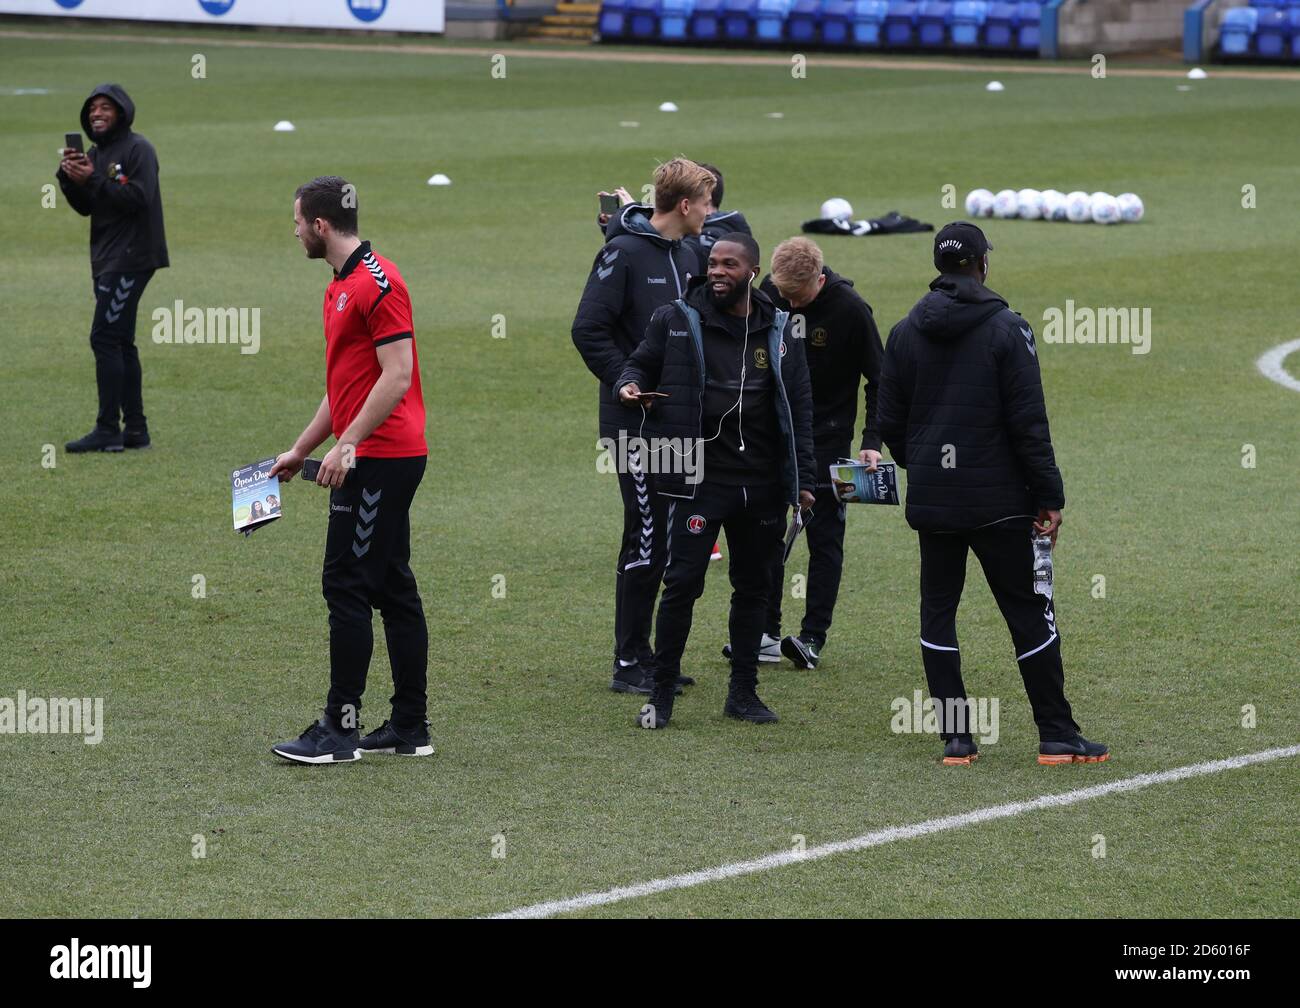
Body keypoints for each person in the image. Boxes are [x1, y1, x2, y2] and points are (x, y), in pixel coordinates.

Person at [877, 221, 1108, 766]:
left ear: (939, 265)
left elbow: (889, 421)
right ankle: (1056, 734)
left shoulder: (904, 331)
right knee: (1029, 612)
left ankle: (957, 740)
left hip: (935, 502)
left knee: (938, 612)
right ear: (982, 264)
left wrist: (929, 467)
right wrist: (1050, 496)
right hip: (1001, 503)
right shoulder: (1008, 328)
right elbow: (1029, 424)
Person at [617, 233, 816, 728]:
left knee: (754, 588)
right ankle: (661, 693)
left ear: (752, 273)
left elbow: (801, 409)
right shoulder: (678, 318)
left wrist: (803, 481)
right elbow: (639, 361)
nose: (718, 272)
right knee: (682, 584)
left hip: (763, 483)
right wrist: (628, 384)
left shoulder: (782, 329)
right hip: (699, 480)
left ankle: (743, 693)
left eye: (730, 264)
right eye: (713, 264)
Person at [269, 176, 431, 765]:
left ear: (319, 226)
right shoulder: (341, 286)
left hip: (382, 459)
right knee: (391, 585)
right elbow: (345, 387)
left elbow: (396, 375)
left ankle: (339, 732)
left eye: (296, 224)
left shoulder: (379, 285)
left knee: (346, 585)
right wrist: (302, 447)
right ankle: (411, 726)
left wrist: (349, 446)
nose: (293, 234)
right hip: (372, 453)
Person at [572, 157, 716, 695]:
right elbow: (588, 329)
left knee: (676, 539)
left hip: (683, 421)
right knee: (647, 535)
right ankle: (628, 661)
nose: (709, 211)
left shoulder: (690, 252)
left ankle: (656, 656)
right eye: (704, 202)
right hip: (635, 425)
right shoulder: (623, 253)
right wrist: (622, 380)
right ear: (684, 205)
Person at [745, 236, 884, 670]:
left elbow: (881, 380)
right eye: (780, 293)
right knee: (765, 533)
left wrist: (871, 441)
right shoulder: (768, 294)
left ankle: (812, 638)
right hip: (773, 436)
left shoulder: (852, 311)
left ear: (819, 280)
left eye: (795, 297)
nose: (785, 303)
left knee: (825, 539)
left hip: (829, 441)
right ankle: (765, 632)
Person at [57, 84, 169, 453]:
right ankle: (135, 430)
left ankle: (108, 429)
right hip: (107, 258)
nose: (97, 113)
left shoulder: (139, 149)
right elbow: (88, 205)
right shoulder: (97, 153)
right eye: (92, 108)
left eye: (105, 107)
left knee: (103, 337)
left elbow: (138, 198)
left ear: (122, 112)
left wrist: (91, 178)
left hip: (132, 258)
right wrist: (68, 178)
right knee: (120, 340)